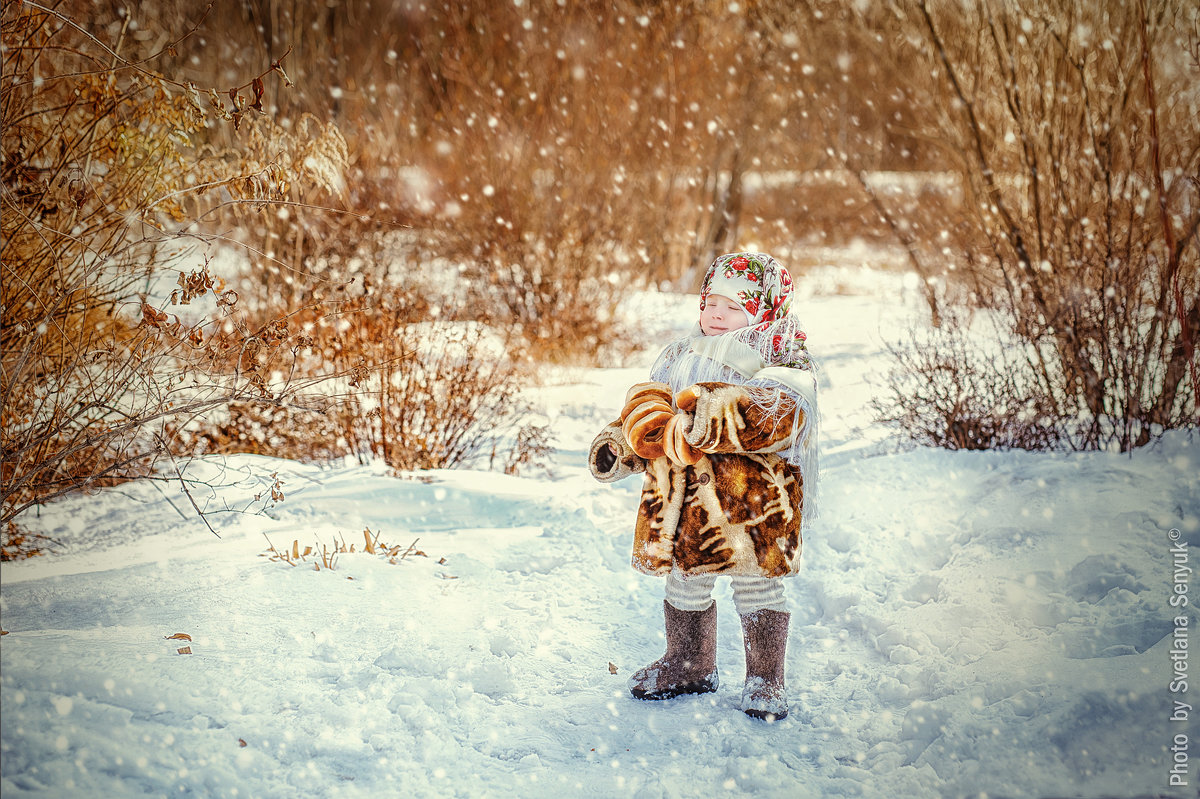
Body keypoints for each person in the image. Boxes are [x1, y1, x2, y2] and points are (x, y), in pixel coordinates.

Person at [588, 251, 818, 722]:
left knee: (757, 587)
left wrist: (708, 416)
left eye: (734, 306)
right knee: (686, 581)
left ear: (765, 309)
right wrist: (625, 443)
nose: (717, 313)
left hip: (750, 505)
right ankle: (689, 662)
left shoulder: (780, 356)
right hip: (683, 504)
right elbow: (650, 412)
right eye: (712, 300)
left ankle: (765, 680)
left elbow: (778, 414)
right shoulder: (679, 355)